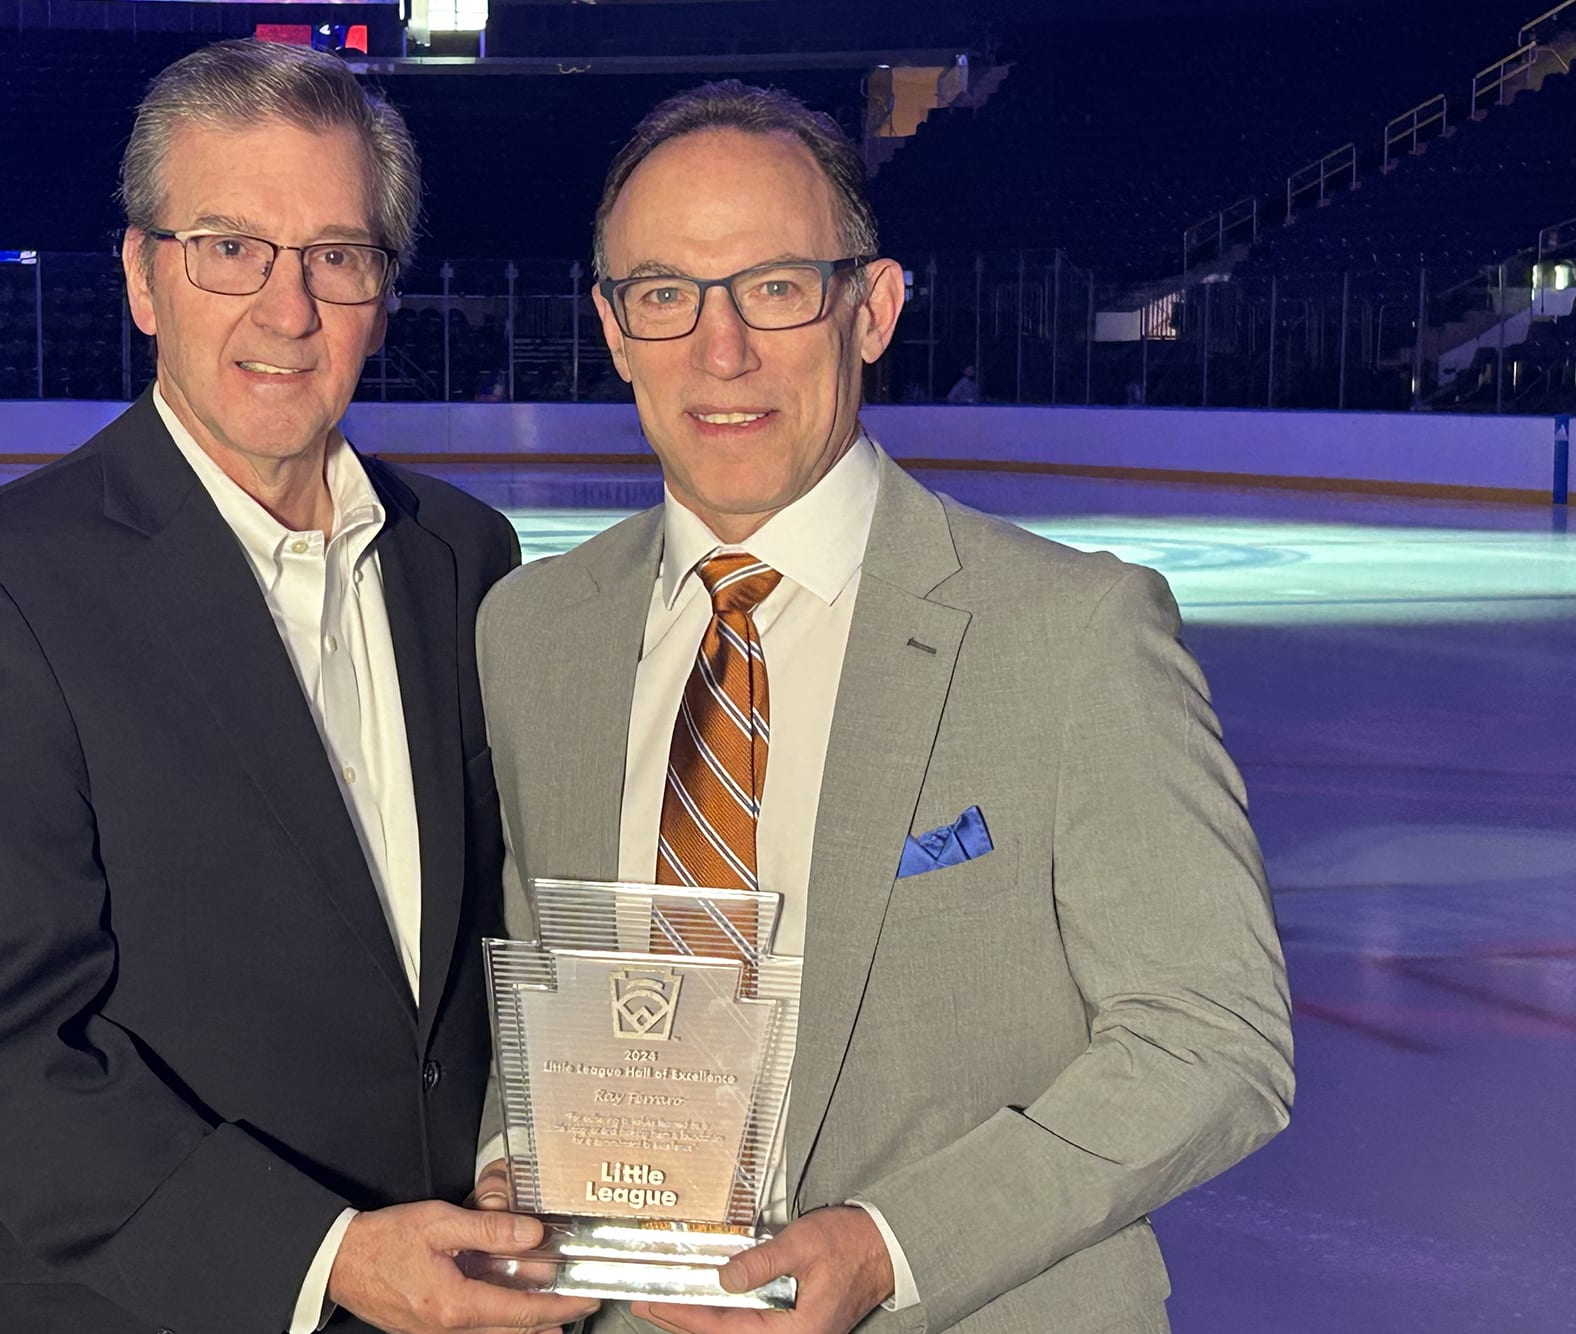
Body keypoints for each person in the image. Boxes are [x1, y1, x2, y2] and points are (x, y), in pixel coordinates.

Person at [473, 81, 1293, 1334]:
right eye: (665, 294)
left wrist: (890, 1247)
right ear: (612, 325)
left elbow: (1213, 1040)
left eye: (777, 285)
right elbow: (551, 994)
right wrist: (512, 1171)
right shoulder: (532, 634)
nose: (721, 347)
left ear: (872, 308)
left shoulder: (1072, 634)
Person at [0, 40, 598, 1334]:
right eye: (229, 248)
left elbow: (488, 949)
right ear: (144, 276)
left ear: (383, 288)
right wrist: (332, 1258)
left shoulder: (463, 557)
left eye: (336, 255)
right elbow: (6, 1054)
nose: (287, 306)